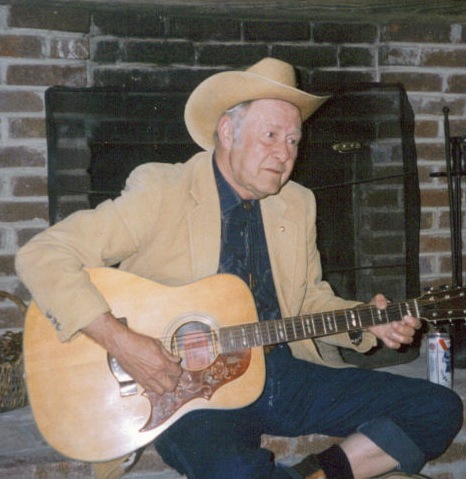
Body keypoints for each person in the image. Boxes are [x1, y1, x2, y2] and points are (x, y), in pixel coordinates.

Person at [16, 58, 462, 479]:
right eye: (271, 136)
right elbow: (42, 255)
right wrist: (125, 344)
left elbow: (305, 299)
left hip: (283, 374)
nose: (284, 153)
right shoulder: (163, 190)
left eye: (293, 141)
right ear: (228, 131)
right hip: (187, 395)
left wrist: (370, 323)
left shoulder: (296, 204)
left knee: (438, 409)